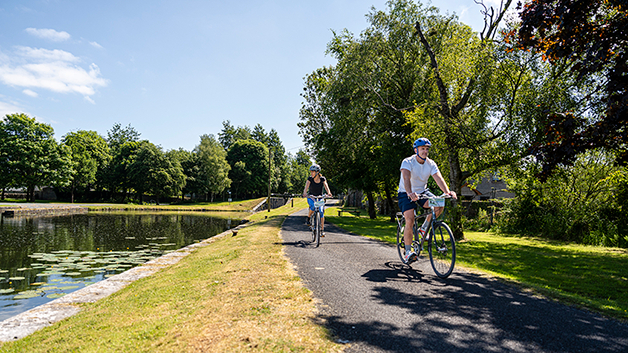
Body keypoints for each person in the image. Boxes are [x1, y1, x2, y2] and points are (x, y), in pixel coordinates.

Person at [398, 138, 457, 263]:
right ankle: (408, 252)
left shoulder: (430, 164)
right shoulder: (408, 162)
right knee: (410, 219)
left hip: (422, 191)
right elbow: (406, 178)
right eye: (422, 149)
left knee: (439, 204)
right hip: (406, 192)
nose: (425, 151)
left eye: (427, 149)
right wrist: (410, 193)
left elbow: (438, 178)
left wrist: (447, 192)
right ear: (416, 150)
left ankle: (424, 228)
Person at [302, 164, 332, 236]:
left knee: (321, 211)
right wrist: (304, 193)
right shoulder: (310, 179)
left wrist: (329, 193)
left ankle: (321, 230)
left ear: (317, 172)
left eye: (313, 172)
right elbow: (306, 186)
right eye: (311, 172)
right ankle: (309, 218)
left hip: (319, 198)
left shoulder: (322, 179)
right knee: (312, 207)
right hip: (311, 197)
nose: (311, 173)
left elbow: (326, 186)